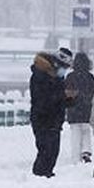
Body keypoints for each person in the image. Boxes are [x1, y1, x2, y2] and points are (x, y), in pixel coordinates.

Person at [28, 47, 76, 178]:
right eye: (63, 67)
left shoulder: (58, 78)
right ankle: (39, 177)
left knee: (54, 152)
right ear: (56, 64)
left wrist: (70, 99)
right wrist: (62, 95)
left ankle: (47, 175)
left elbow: (58, 100)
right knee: (46, 151)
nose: (64, 71)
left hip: (55, 121)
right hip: (42, 120)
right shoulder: (39, 76)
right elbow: (42, 100)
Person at [64, 51, 94, 164]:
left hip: (73, 110)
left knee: (75, 134)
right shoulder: (90, 77)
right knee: (86, 131)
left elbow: (66, 94)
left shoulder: (70, 77)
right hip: (87, 110)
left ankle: (75, 157)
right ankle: (86, 151)